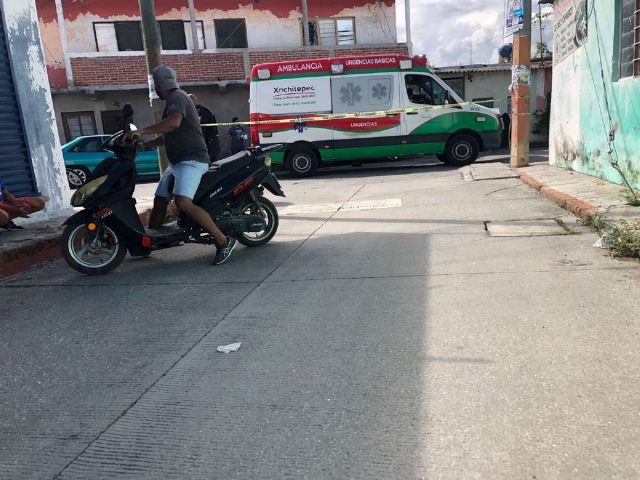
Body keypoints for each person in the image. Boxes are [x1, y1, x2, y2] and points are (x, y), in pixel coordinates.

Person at [125, 65, 237, 265]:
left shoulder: (177, 98)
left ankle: (223, 241)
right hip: (178, 162)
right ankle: (151, 242)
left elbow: (173, 124)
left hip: (192, 160)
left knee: (183, 202)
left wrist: (142, 131)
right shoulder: (175, 99)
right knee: (159, 200)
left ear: (158, 86)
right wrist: (146, 145)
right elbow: (170, 133)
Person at [188, 94, 221, 162]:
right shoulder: (204, 110)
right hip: (210, 144)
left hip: (208, 145)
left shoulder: (199, 112)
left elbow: (201, 129)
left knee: (208, 166)